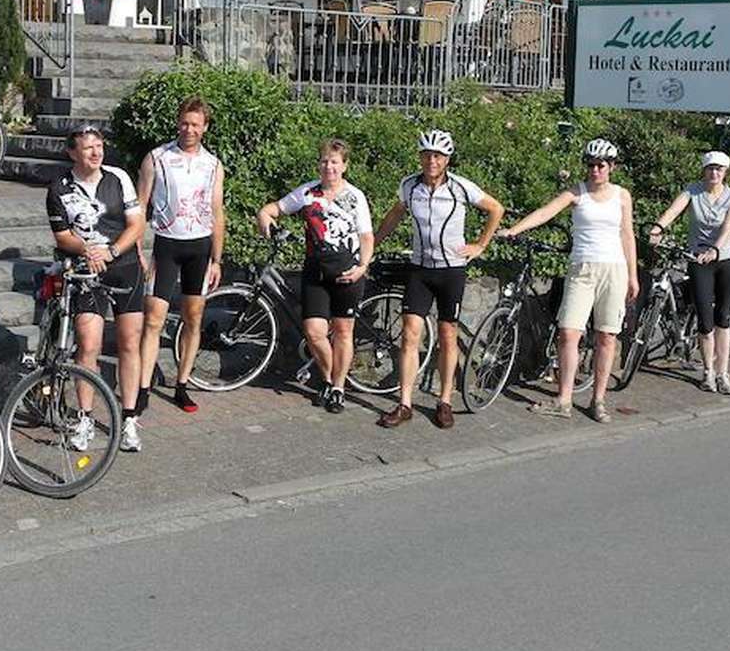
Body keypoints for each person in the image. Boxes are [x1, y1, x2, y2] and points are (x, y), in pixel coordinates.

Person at [371, 130, 503, 430]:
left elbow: (496, 209)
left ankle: (444, 401)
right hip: (420, 269)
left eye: (438, 155)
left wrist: (481, 244)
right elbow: (394, 216)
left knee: (447, 335)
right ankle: (404, 403)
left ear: (447, 159)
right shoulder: (409, 185)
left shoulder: (460, 187)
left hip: (451, 270)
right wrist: (373, 244)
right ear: (420, 157)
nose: (432, 160)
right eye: (427, 154)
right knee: (409, 334)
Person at [498, 138, 637, 423]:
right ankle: (563, 399)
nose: (595, 170)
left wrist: (633, 275)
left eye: (601, 165)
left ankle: (598, 400)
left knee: (606, 336)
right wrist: (514, 229)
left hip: (614, 268)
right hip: (582, 268)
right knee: (568, 332)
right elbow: (545, 212)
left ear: (611, 167)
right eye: (591, 165)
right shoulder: (577, 193)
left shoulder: (622, 195)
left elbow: (627, 234)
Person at [256, 139, 375, 414]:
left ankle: (336, 388)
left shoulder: (355, 197)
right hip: (316, 272)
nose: (328, 166)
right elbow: (274, 208)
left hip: (348, 272)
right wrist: (264, 216)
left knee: (344, 332)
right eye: (324, 161)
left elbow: (366, 236)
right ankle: (330, 377)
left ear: (344, 165)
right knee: (314, 333)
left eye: (334, 161)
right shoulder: (307, 192)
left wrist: (362, 266)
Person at [47, 125, 146, 452]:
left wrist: (113, 251)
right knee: (88, 344)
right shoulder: (59, 188)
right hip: (86, 270)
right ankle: (85, 417)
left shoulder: (118, 177)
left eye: (99, 146)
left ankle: (129, 418)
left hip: (124, 266)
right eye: (88, 148)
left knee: (129, 342)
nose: (96, 152)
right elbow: (62, 237)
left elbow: (136, 224)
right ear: (72, 153)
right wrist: (86, 249)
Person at [136, 97, 226, 415]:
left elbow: (217, 212)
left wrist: (217, 259)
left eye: (195, 124)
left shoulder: (213, 165)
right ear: (178, 122)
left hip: (199, 249)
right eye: (185, 123)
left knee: (193, 318)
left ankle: (182, 384)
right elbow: (139, 206)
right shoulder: (157, 158)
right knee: (153, 320)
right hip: (167, 246)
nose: (189, 129)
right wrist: (137, 249)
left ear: (205, 127)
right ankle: (143, 388)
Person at [648, 150, 730, 394]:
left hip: (726, 259)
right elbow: (673, 210)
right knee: (705, 319)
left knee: (723, 317)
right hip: (698, 260)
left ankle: (723, 372)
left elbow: (727, 226)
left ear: (726, 173)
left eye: (719, 169)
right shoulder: (693, 191)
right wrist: (658, 228)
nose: (714, 173)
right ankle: (708, 372)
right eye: (710, 168)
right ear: (704, 171)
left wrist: (714, 248)